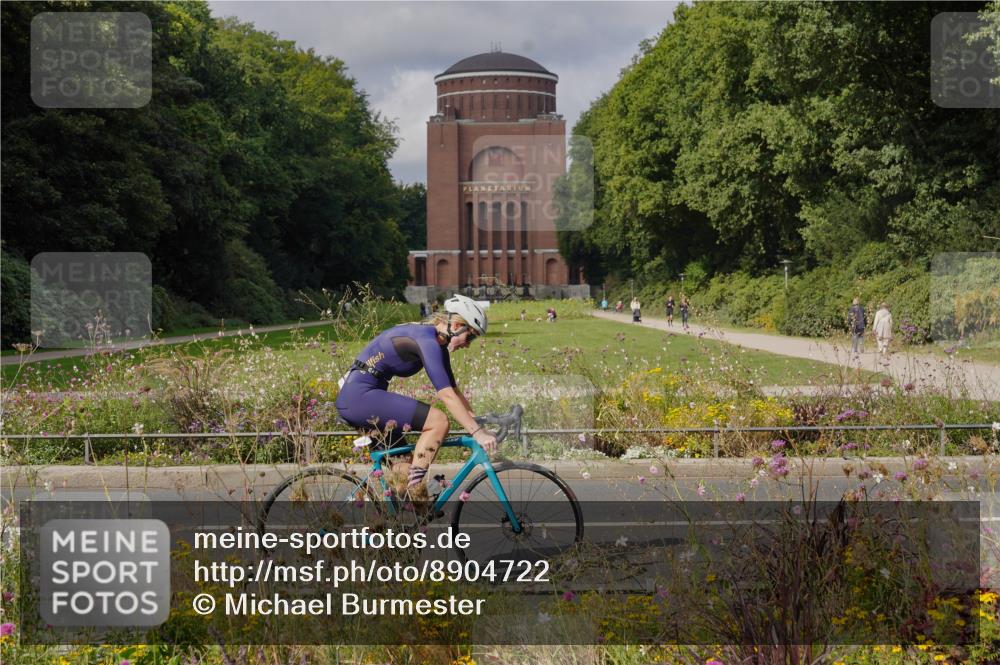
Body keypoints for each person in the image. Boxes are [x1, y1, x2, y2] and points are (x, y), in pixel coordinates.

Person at [334, 294, 497, 499]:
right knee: (438, 421)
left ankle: (401, 518)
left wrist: (479, 424)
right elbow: (446, 395)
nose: (468, 344)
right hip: (360, 397)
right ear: (456, 326)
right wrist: (477, 434)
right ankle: (415, 489)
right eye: (470, 337)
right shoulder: (426, 340)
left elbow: (454, 391)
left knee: (405, 472)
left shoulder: (435, 344)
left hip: (362, 396)